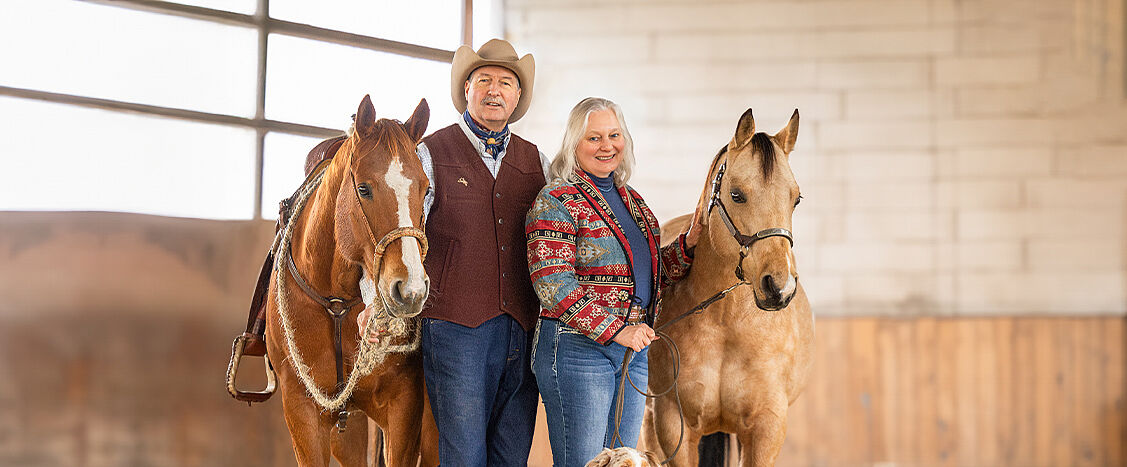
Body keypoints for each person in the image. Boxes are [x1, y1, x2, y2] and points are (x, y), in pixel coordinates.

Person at [357, 39, 549, 466]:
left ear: (518, 97)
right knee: (462, 457)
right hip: (457, 332)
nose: (494, 91)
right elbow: (394, 229)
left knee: (511, 458)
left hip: (524, 329)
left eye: (505, 83)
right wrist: (375, 302)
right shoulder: (428, 154)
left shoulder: (539, 161)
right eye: (484, 81)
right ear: (467, 89)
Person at [525, 97, 698, 467]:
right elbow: (553, 284)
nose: (607, 146)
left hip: (632, 352)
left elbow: (648, 276)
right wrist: (617, 330)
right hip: (576, 350)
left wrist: (688, 245)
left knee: (623, 462)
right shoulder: (555, 200)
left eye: (614, 135)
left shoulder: (633, 202)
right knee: (584, 463)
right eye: (594, 138)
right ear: (574, 145)